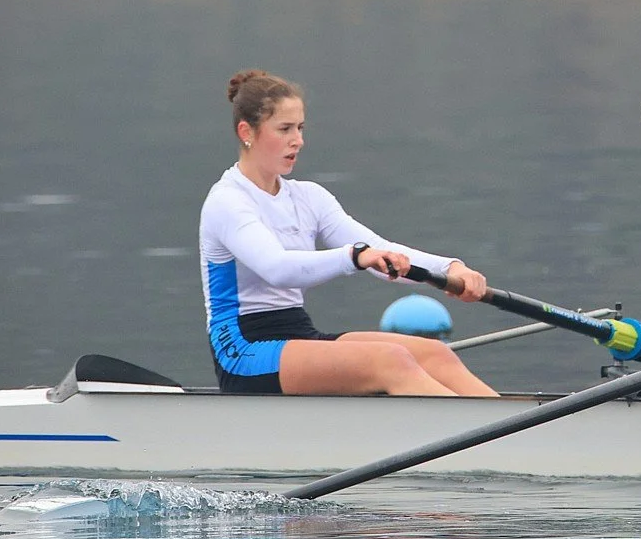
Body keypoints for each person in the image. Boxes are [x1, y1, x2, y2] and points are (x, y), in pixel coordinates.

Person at [200, 69, 497, 397]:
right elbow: (277, 268)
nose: (298, 140)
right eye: (284, 129)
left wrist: (451, 268)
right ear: (247, 132)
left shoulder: (308, 197)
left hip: (298, 334)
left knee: (435, 354)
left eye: (300, 128)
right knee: (391, 361)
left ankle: (516, 424)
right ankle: (481, 429)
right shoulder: (228, 201)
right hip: (242, 350)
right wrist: (354, 257)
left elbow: (381, 250)